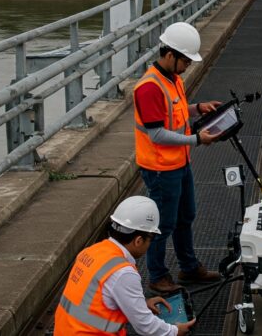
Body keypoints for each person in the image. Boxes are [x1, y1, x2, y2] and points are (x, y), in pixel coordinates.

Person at [133, 22, 222, 294]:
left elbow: (177, 113)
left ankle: (188, 266)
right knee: (163, 224)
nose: (187, 65)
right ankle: (157, 275)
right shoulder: (149, 88)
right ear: (169, 54)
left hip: (180, 164)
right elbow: (157, 134)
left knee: (186, 216)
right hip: (160, 168)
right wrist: (196, 140)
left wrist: (198, 108)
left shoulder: (174, 79)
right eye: (185, 60)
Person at [54, 196, 197, 335]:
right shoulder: (123, 273)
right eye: (150, 239)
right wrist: (175, 331)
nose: (149, 244)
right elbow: (145, 326)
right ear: (139, 240)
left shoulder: (91, 252)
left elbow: (96, 300)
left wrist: (141, 304)